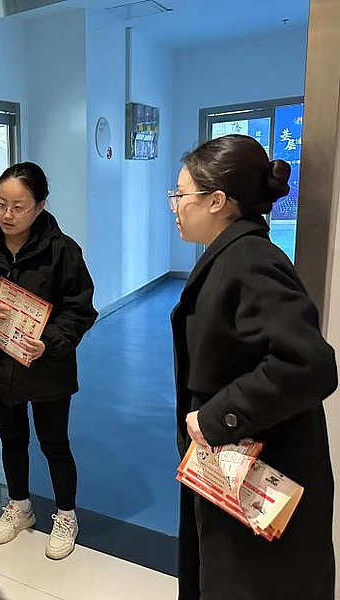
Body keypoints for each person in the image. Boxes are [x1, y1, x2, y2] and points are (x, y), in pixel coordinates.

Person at [170, 134, 337, 600]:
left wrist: (216, 417)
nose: (175, 206)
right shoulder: (230, 254)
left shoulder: (250, 260)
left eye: (181, 195)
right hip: (233, 462)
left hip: (261, 463)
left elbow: (309, 363)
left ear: (217, 201)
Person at [0, 162, 98, 560]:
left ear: (40, 206)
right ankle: (19, 506)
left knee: (54, 443)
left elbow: (81, 309)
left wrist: (48, 342)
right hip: (0, 364)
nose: (7, 215)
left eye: (18, 207)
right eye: (0, 204)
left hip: (48, 366)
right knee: (11, 438)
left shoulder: (62, 250)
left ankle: (66, 515)